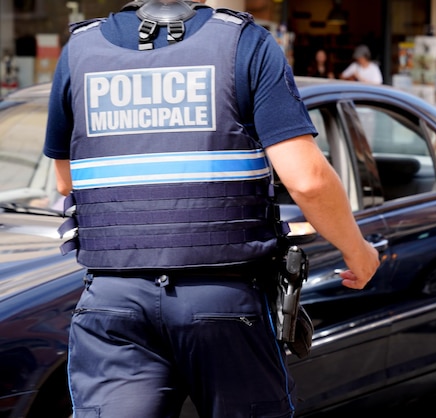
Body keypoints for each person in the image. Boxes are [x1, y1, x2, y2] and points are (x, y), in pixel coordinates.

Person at [43, 1, 380, 417]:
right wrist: (357, 251)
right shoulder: (244, 43)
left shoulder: (79, 50)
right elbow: (307, 179)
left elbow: (65, 181)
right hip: (223, 299)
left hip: (113, 298)